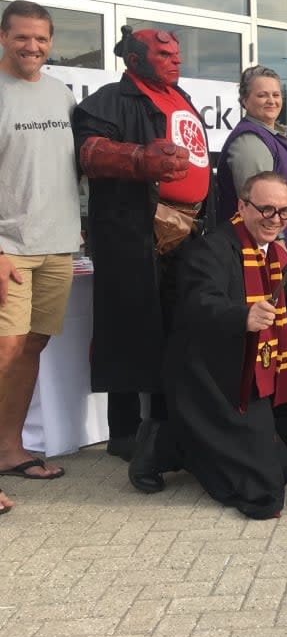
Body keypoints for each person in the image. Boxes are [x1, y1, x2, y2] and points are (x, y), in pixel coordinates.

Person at [127, 172, 287, 517]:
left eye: (283, 212)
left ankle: (177, 439)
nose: (274, 220)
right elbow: (198, 302)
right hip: (211, 376)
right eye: (266, 209)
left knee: (285, 459)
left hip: (252, 371)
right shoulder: (211, 249)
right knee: (265, 487)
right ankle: (160, 444)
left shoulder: (276, 254)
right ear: (242, 206)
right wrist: (242, 317)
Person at [73, 26, 213, 461]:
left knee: (181, 324)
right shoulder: (105, 104)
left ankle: (172, 420)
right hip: (135, 231)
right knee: (129, 326)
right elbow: (88, 153)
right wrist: (137, 159)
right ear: (134, 60)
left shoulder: (182, 96)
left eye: (177, 53)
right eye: (164, 54)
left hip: (189, 230)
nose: (176, 59)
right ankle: (124, 431)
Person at [0, 0, 79, 510]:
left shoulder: (62, 95)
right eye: (22, 37)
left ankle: (9, 450)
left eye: (41, 39)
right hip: (8, 246)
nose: (33, 47)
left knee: (32, 348)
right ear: (3, 37)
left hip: (59, 244)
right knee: (3, 354)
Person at [216, 66, 287, 302]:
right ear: (244, 100)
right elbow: (261, 205)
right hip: (270, 251)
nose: (271, 100)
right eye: (262, 95)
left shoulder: (277, 136)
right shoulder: (250, 141)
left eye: (276, 94)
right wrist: (279, 243)